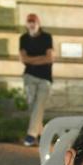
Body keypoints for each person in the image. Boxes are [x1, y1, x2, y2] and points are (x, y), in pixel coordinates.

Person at [19, 13, 55, 148]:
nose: (31, 24)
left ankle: (31, 135)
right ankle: (42, 135)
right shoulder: (23, 38)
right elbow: (23, 59)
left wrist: (31, 60)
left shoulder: (46, 37)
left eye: (33, 21)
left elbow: (50, 58)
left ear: (38, 23)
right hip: (29, 77)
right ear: (26, 24)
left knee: (38, 105)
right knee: (33, 107)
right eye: (29, 22)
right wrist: (41, 58)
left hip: (45, 78)